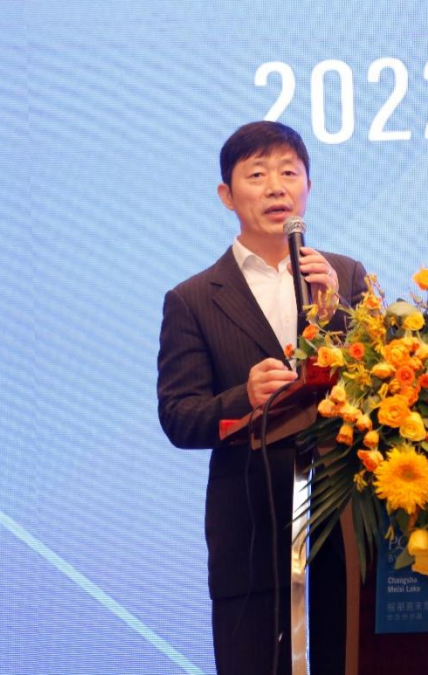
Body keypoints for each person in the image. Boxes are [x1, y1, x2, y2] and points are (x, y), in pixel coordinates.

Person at [157, 121, 368, 674]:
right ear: (227, 195)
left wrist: (338, 315)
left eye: (289, 173)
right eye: (257, 175)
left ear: (308, 187)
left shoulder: (346, 278)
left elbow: (381, 386)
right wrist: (242, 398)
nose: (276, 187)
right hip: (250, 529)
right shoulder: (193, 298)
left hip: (346, 526)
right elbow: (178, 416)